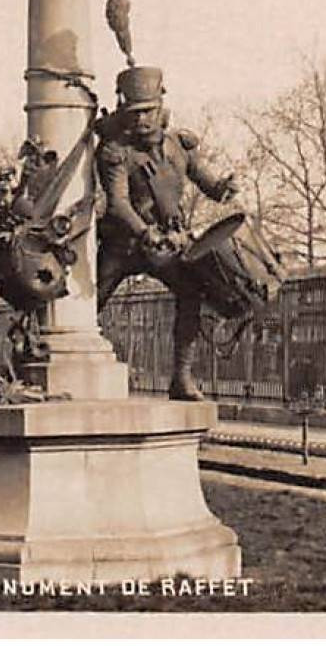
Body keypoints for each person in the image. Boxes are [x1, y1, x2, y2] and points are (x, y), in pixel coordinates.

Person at [95, 64, 236, 401]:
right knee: (87, 304)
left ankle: (181, 378)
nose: (140, 120)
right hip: (124, 245)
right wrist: (145, 233)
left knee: (191, 295)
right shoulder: (115, 153)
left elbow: (207, 182)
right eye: (133, 113)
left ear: (161, 108)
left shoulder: (179, 146)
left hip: (165, 244)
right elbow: (117, 203)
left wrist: (224, 188)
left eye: (147, 112)